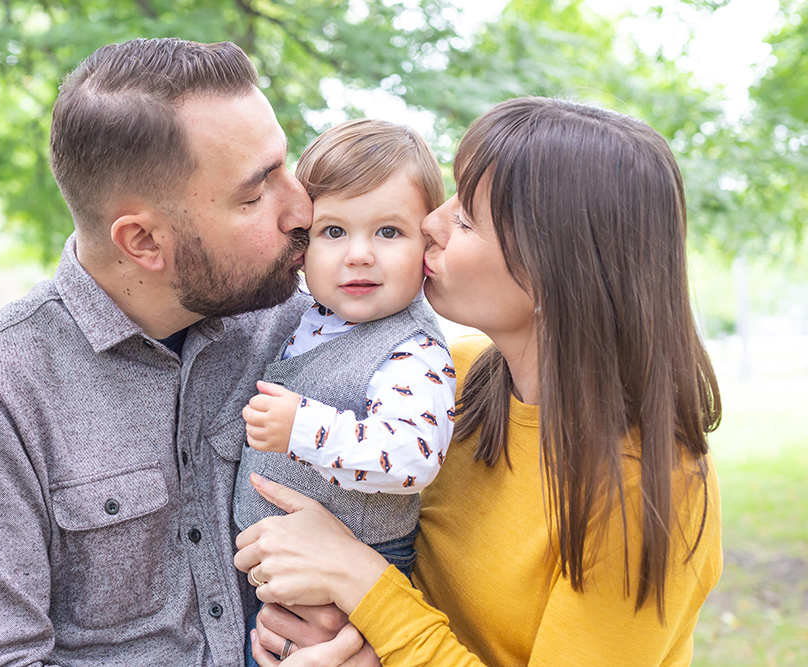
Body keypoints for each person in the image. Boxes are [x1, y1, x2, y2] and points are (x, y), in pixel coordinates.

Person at [234, 96, 723, 667]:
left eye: (465, 217)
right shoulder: (448, 379)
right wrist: (321, 633)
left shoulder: (646, 488)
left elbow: (380, 593)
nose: (431, 224)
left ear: (556, 269)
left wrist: (357, 578)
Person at [0, 37, 320, 667]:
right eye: (254, 194)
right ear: (143, 242)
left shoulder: (308, 327)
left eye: (284, 166)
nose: (302, 208)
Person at [232, 120, 455, 665]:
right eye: (334, 231)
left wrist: (302, 427)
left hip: (354, 585)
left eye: (388, 232)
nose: (358, 255)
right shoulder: (307, 320)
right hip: (275, 571)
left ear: (426, 245)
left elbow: (411, 458)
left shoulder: (413, 351)